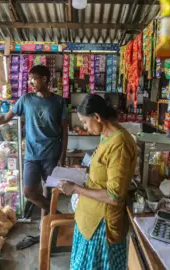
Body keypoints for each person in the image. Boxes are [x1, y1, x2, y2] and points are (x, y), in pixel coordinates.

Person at [0, 65, 68, 216]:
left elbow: (64, 131)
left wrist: (63, 156)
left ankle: (46, 226)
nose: (31, 83)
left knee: (49, 192)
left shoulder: (58, 102)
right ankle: (59, 216)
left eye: (33, 79)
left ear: (44, 79)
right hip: (31, 154)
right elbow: (5, 117)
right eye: (29, 80)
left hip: (52, 154)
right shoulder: (26, 99)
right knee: (29, 192)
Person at [58, 94, 137, 270]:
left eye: (85, 122)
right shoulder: (106, 135)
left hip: (101, 223)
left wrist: (76, 188)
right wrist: (84, 170)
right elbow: (104, 170)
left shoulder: (120, 144)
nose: (84, 126)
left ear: (97, 117)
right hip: (89, 216)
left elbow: (114, 196)